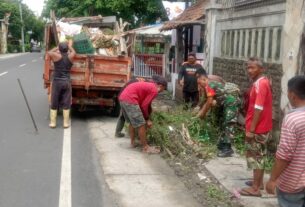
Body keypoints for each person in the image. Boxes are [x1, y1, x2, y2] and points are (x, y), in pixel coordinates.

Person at [266, 76, 305, 207]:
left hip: (293, 183)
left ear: (292, 95)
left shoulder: (292, 119)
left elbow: (285, 155)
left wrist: (272, 179)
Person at [239, 57, 273, 197]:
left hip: (258, 128)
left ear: (261, 69)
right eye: (248, 67)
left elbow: (258, 108)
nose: (249, 70)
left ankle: (255, 188)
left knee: (256, 157)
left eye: (252, 68)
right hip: (261, 126)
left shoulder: (261, 84)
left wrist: (251, 130)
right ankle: (257, 183)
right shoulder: (261, 82)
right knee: (260, 156)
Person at [195, 71, 240, 157]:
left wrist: (202, 114)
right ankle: (223, 143)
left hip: (231, 103)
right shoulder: (209, 85)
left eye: (199, 83)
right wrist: (199, 109)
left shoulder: (209, 85)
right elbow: (205, 101)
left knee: (228, 124)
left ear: (204, 79)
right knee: (223, 122)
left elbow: (209, 102)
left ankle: (227, 148)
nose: (199, 85)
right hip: (226, 104)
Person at [119, 75, 167, 153]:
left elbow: (147, 104)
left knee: (132, 122)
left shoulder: (149, 85)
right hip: (130, 99)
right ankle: (145, 147)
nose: (162, 91)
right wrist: (147, 119)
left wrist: (149, 112)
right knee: (141, 124)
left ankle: (132, 143)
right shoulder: (154, 90)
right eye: (163, 89)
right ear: (160, 86)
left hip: (123, 98)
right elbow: (144, 106)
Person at [48, 41, 76, 128]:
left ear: (59, 49)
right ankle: (66, 123)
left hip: (57, 82)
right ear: (67, 49)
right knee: (66, 102)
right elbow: (74, 52)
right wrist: (69, 46)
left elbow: (49, 52)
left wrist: (57, 47)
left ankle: (53, 123)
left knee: (54, 101)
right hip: (66, 82)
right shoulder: (70, 56)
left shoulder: (56, 56)